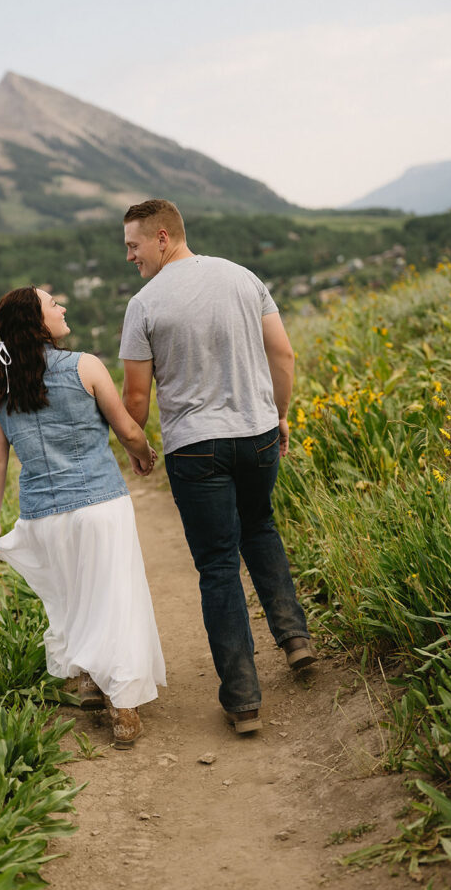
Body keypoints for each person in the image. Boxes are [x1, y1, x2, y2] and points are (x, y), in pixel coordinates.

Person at [119, 198, 315, 736]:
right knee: (260, 527)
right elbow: (284, 355)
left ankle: (244, 698)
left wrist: (137, 447)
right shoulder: (243, 278)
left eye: (134, 246)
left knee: (218, 565)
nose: (129, 257)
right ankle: (295, 640)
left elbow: (136, 397)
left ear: (162, 237)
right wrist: (279, 414)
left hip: (196, 449)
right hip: (255, 435)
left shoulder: (144, 305)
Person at [0, 285, 165, 749]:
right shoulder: (85, 365)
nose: (62, 308)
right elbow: (126, 428)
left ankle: (85, 680)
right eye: (52, 304)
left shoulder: (0, 385)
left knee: (69, 597)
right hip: (100, 504)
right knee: (112, 598)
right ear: (38, 323)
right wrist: (145, 456)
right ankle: (123, 707)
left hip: (43, 515)